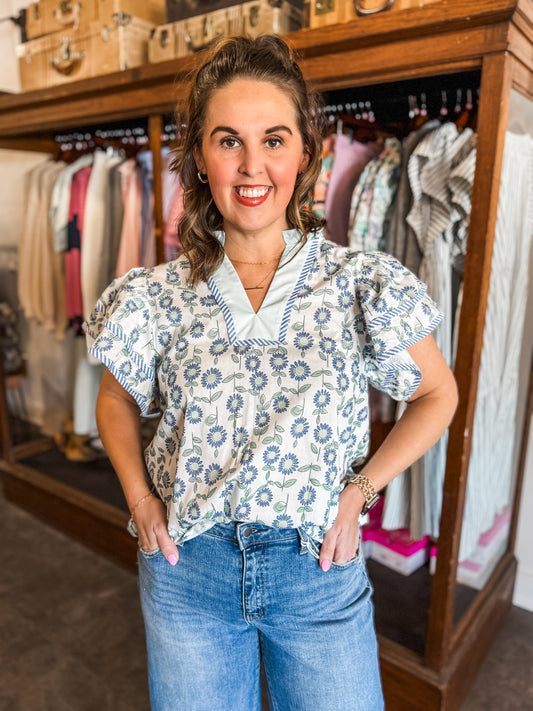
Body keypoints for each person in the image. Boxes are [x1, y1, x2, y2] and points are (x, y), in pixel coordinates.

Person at [87, 35, 458, 711]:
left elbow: (438, 393)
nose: (251, 164)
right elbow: (115, 398)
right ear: (199, 156)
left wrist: (361, 491)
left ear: (307, 153)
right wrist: (140, 501)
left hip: (316, 571)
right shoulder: (154, 294)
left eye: (274, 139)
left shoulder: (359, 282)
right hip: (186, 572)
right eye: (227, 140)